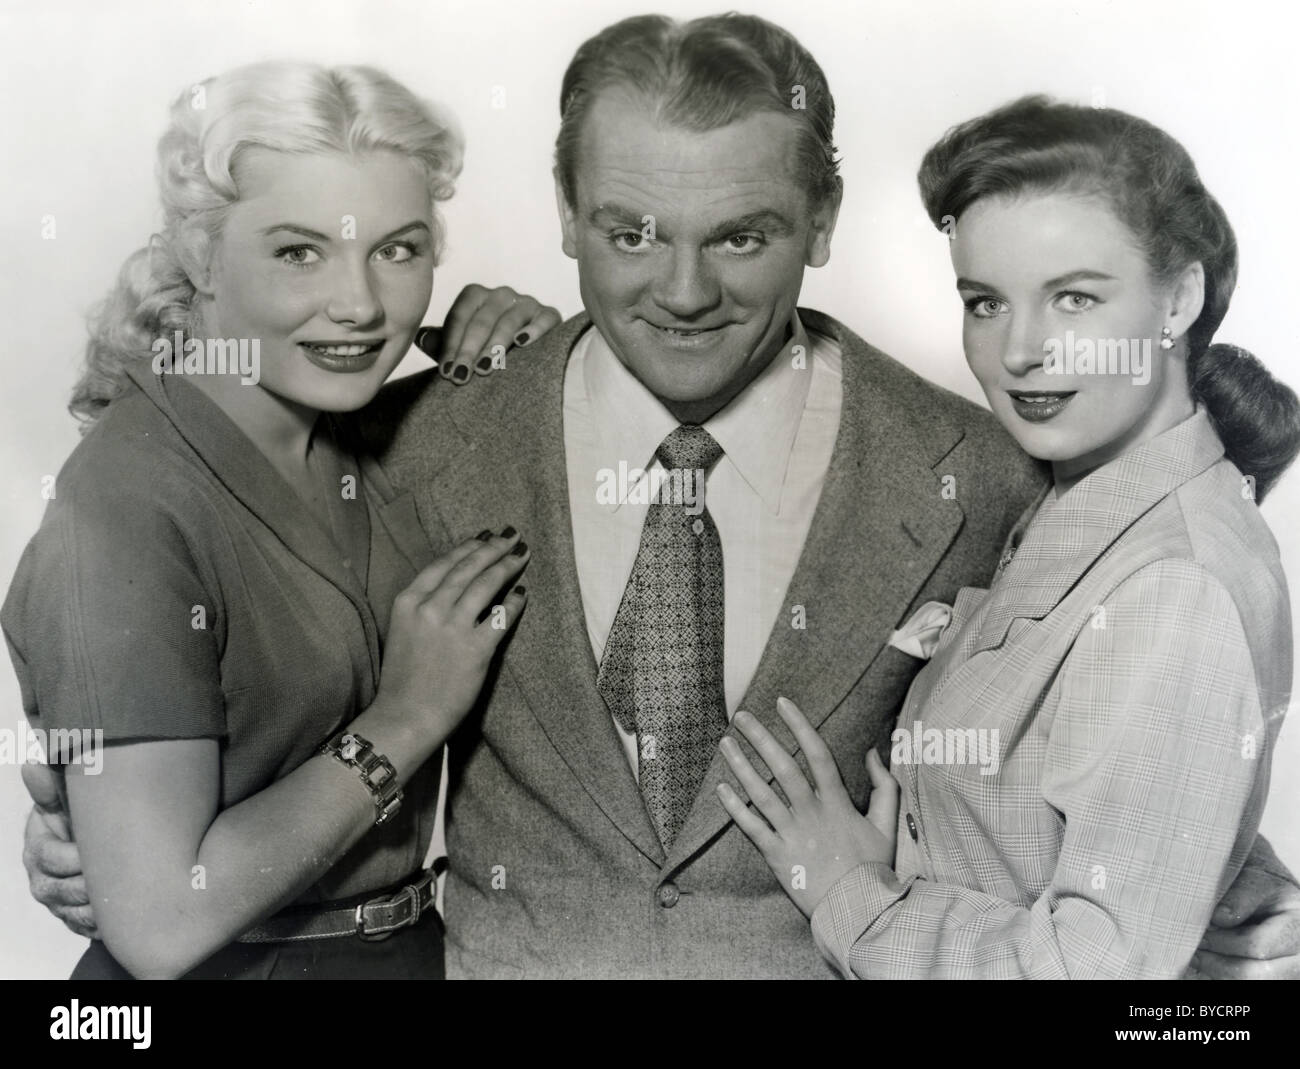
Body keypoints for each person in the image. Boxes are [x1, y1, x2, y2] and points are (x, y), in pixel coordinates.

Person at [22, 14, 1300, 979]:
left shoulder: (989, 470)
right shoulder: (410, 443)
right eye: (630, 232)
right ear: (565, 214)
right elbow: (251, 701)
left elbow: (1110, 744)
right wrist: (102, 840)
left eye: (740, 235)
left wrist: (1241, 911)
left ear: (823, 219)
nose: (681, 291)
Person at [2, 60, 560, 979]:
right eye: (299, 252)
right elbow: (161, 923)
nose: (360, 305)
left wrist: (540, 347)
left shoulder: (374, 431)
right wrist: (408, 715)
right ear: (200, 254)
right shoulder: (123, 505)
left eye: (399, 248)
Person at [718, 95, 1298, 978]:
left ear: (1179, 296)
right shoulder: (1081, 494)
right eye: (985, 302)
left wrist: (854, 894)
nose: (1021, 350)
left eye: (1073, 297)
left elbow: (1101, 978)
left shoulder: (1178, 586)